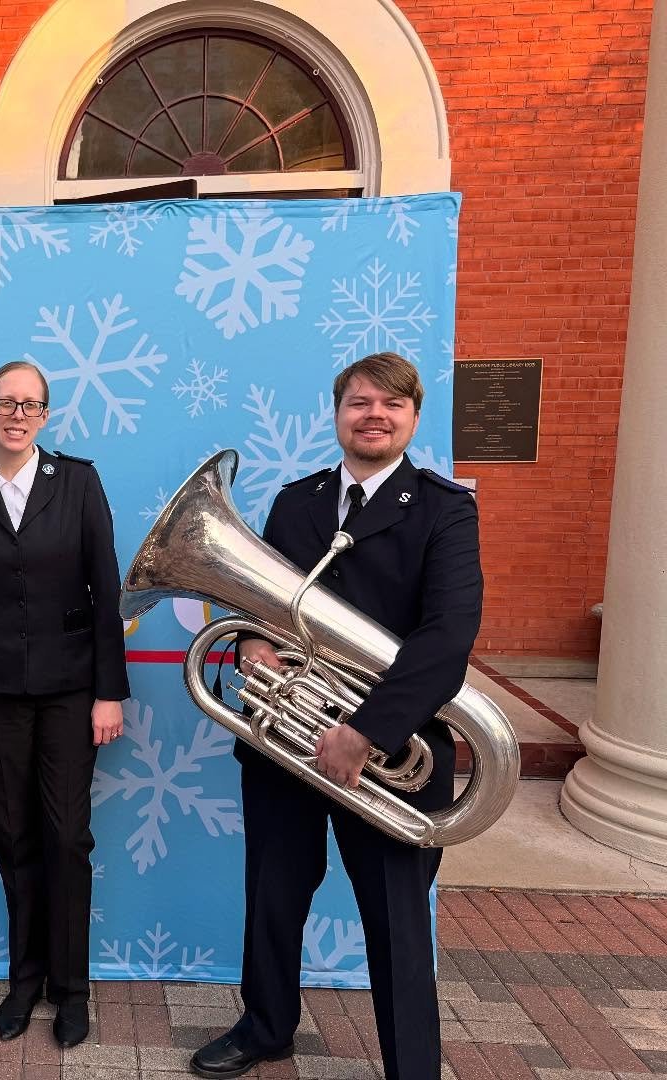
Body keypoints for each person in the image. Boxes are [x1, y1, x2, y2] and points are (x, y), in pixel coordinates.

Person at [189, 351, 482, 1080]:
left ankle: (412, 1067)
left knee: (397, 918)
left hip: (389, 752)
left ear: (414, 417)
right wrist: (252, 643)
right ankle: (266, 1028)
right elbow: (264, 602)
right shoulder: (299, 502)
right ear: (338, 413)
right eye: (359, 402)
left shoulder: (445, 509)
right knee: (274, 894)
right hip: (287, 740)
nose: (373, 415)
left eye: (391, 404)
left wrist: (366, 732)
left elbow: (446, 638)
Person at [0, 361, 129, 1049]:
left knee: (67, 839)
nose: (17, 414)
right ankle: (25, 980)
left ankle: (71, 989)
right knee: (14, 836)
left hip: (72, 692)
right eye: (6, 403)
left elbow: (105, 586)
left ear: (45, 416)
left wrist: (109, 692)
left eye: (30, 405)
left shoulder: (78, 481)